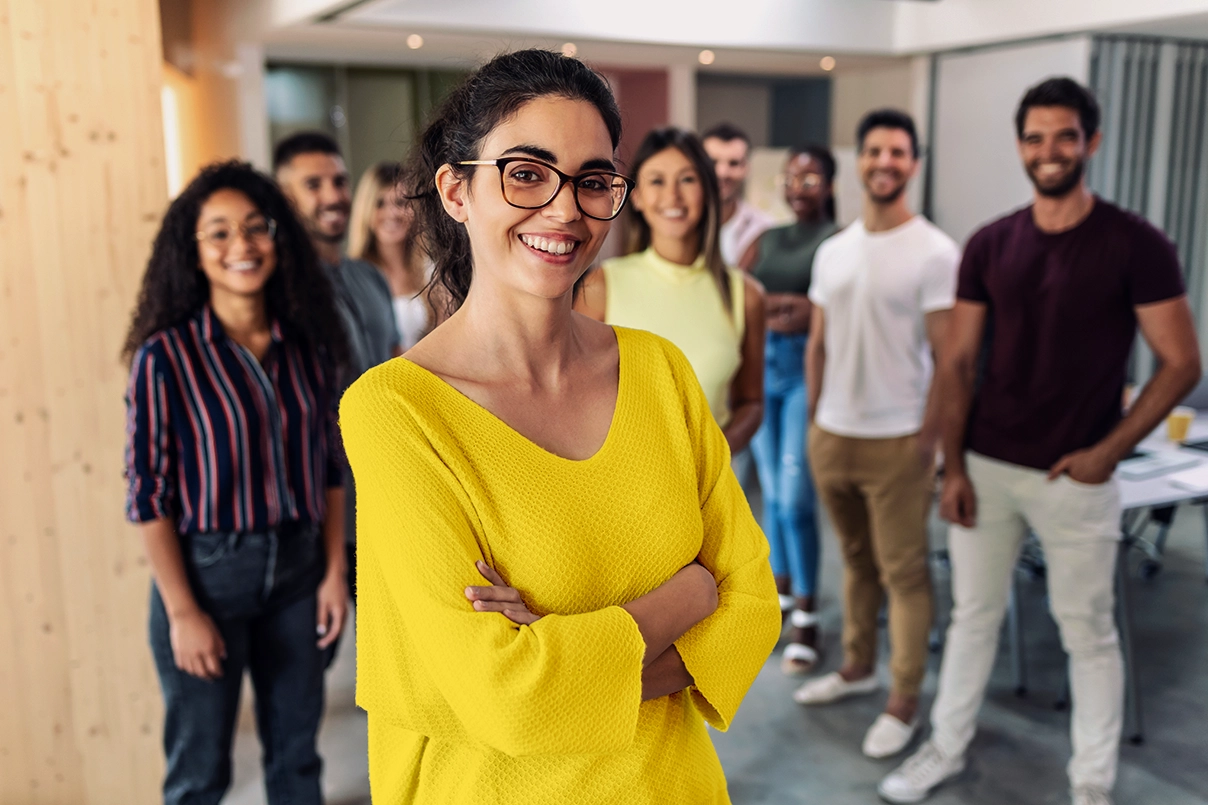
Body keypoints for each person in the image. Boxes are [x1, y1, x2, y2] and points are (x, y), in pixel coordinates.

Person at [338, 49, 781, 804]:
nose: (566, 208)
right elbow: (504, 694)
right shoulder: (396, 411)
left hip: (671, 785)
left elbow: (753, 604)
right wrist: (683, 599)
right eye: (525, 172)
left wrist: (565, 652)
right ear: (456, 190)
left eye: (594, 179)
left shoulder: (660, 371)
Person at [879, 78, 1201, 805]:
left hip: (1076, 475)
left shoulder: (1137, 244)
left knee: (1086, 632)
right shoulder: (992, 243)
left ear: (1091, 140)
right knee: (971, 618)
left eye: (1063, 136)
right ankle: (945, 747)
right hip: (987, 465)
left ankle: (1091, 784)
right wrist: (951, 466)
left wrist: (1107, 453)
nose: (1048, 151)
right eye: (1034, 137)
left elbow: (1182, 362)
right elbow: (957, 363)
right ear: (1020, 145)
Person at [123, 161, 350, 805]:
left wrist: (335, 572)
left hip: (300, 573)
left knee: (297, 765)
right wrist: (183, 611)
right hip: (207, 578)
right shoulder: (164, 358)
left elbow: (332, 466)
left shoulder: (309, 348)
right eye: (219, 233)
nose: (242, 246)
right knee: (200, 776)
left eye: (256, 228)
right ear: (192, 253)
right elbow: (148, 496)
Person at [794, 110, 959, 762]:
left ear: (913, 163)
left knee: (905, 573)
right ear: (859, 160)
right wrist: (814, 421)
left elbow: (950, 358)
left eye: (898, 152)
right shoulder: (833, 250)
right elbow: (817, 344)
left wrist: (935, 440)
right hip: (834, 434)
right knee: (855, 563)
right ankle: (857, 665)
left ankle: (903, 698)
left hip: (901, 441)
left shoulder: (936, 251)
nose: (885, 161)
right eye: (874, 151)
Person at [578, 127, 766, 456]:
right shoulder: (600, 288)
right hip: (620, 484)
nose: (672, 197)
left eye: (687, 180)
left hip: (703, 492)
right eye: (656, 181)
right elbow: (570, 395)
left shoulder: (745, 295)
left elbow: (750, 402)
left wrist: (714, 456)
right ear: (635, 197)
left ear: (708, 191)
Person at [274, 132, 400, 601]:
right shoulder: (280, 292)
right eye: (313, 184)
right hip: (319, 511)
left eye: (340, 181)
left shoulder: (368, 277)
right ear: (285, 196)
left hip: (382, 497)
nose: (333, 195)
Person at [744, 145, 839, 676]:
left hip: (808, 370)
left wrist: (785, 308)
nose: (800, 186)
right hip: (763, 368)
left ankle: (808, 611)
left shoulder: (838, 241)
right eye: (792, 177)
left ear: (829, 185)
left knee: (796, 495)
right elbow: (743, 297)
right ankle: (780, 595)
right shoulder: (768, 239)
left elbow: (819, 312)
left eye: (811, 178)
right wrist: (787, 308)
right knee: (774, 496)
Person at [348, 161, 438, 350]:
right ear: (365, 211)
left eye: (401, 203)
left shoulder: (431, 271)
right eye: (380, 204)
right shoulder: (354, 279)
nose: (392, 213)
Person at [702, 122, 775, 271]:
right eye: (712, 162)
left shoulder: (764, 229)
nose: (722, 172)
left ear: (747, 168)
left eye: (733, 163)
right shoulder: (680, 224)